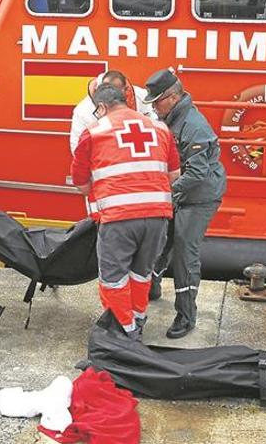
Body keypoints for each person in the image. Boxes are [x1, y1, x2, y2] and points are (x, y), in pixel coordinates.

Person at [71, 84, 180, 342]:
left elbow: (81, 183)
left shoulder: (94, 132)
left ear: (102, 107)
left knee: (113, 278)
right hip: (157, 217)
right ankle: (137, 319)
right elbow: (175, 174)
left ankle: (123, 333)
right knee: (141, 273)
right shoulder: (160, 129)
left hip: (119, 219)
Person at [143, 68, 227, 339]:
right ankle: (151, 287)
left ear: (172, 97)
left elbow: (197, 174)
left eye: (156, 101)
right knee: (161, 240)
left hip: (199, 197)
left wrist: (165, 191)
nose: (154, 107)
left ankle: (186, 315)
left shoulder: (193, 126)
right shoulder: (172, 119)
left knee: (184, 254)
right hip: (181, 194)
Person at [69, 70, 157, 155]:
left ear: (125, 89)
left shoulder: (141, 97)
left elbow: (157, 129)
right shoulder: (82, 111)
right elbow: (78, 150)